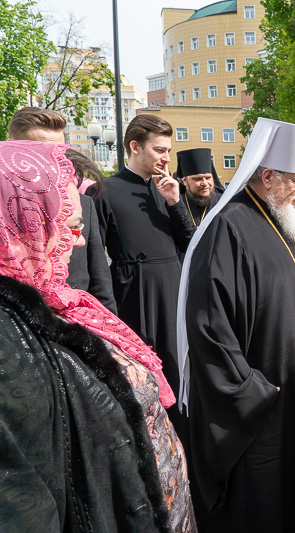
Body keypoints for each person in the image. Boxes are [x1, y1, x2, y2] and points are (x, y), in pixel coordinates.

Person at [0, 140, 194, 532]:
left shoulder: (58, 301)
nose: (82, 240)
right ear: (24, 222)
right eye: (70, 228)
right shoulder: (9, 341)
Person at [177, 118, 295, 532]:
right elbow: (208, 326)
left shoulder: (285, 219)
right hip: (262, 404)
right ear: (268, 176)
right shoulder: (227, 229)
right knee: (267, 503)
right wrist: (252, 390)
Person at [89, 115, 194, 409]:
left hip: (172, 292)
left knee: (176, 370)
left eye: (168, 151)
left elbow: (191, 243)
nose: (166, 157)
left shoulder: (168, 189)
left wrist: (174, 202)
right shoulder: (103, 190)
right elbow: (95, 255)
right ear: (135, 146)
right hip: (132, 293)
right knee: (141, 378)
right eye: (160, 149)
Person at [8, 107, 116, 313]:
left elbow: (100, 284)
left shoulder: (83, 205)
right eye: (38, 152)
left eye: (58, 152)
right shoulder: (5, 213)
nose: (51, 161)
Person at [174, 147, 225, 229]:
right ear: (184, 181)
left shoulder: (223, 203)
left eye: (208, 178)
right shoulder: (176, 203)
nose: (205, 183)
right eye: (198, 179)